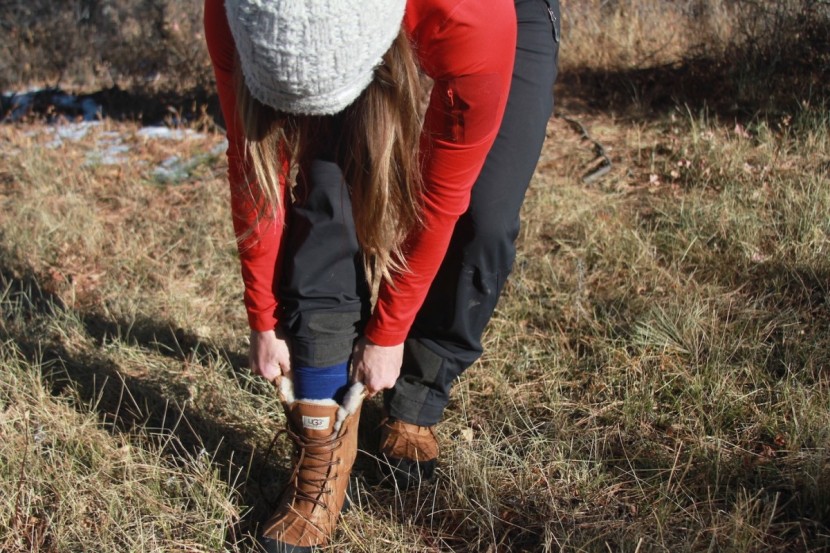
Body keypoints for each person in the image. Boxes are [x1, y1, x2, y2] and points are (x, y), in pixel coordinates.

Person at [204, 0, 559, 550]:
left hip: (496, 15)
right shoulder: (239, 14)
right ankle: (324, 443)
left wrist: (388, 333)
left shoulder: (471, 21)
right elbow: (253, 165)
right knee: (324, 186)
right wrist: (262, 318)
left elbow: (441, 201)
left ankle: (416, 396)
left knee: (483, 220)